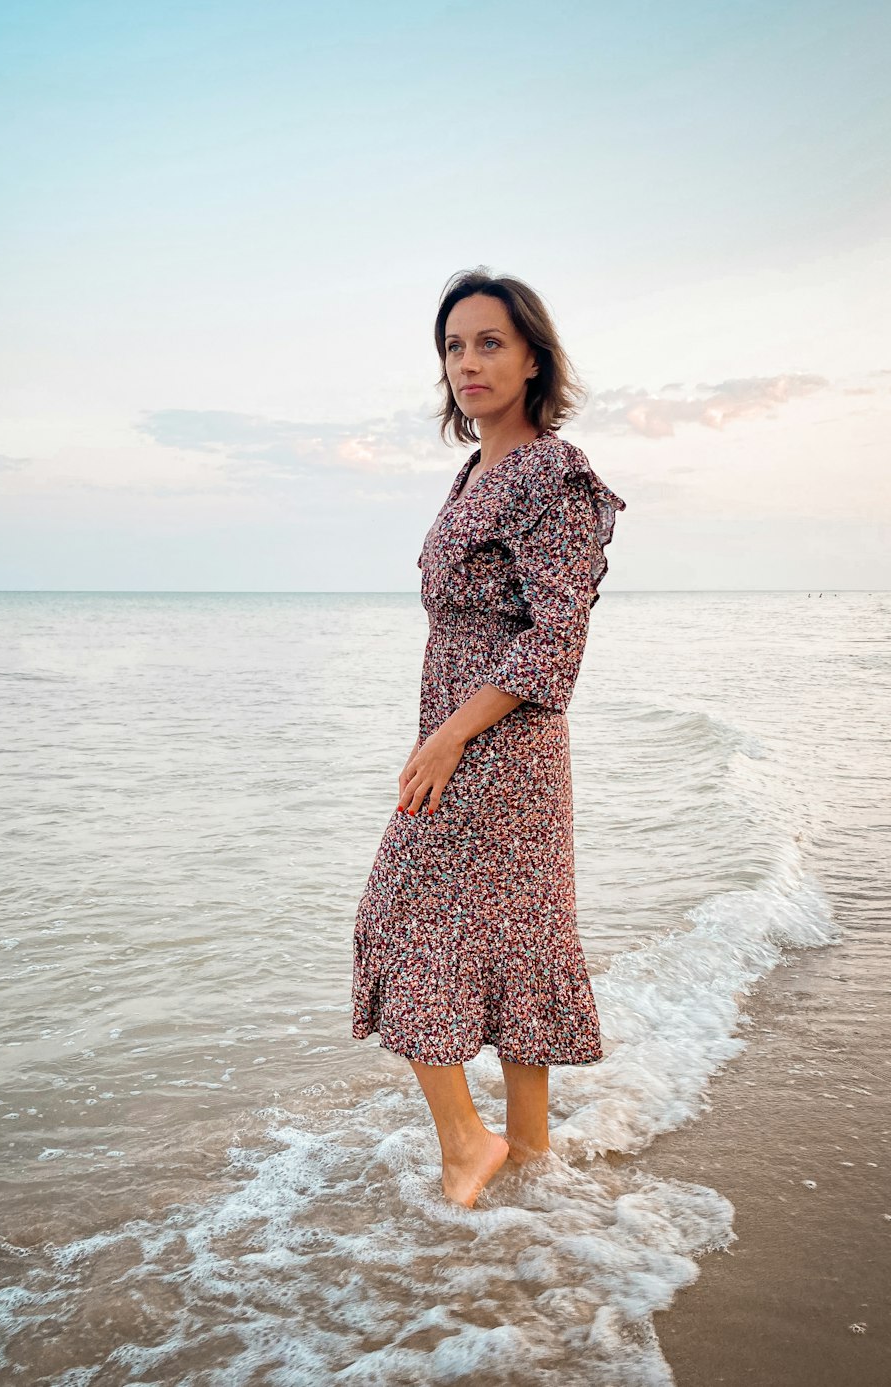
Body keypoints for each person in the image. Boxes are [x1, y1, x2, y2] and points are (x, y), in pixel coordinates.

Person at [351, 266, 626, 1208]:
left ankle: (469, 1141)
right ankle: (535, 1158)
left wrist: (449, 739)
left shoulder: (554, 471)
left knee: (397, 917)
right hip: (474, 743)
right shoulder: (478, 472)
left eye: (489, 343)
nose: (467, 362)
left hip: (493, 748)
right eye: (454, 346)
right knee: (517, 938)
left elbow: (557, 634)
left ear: (534, 358)